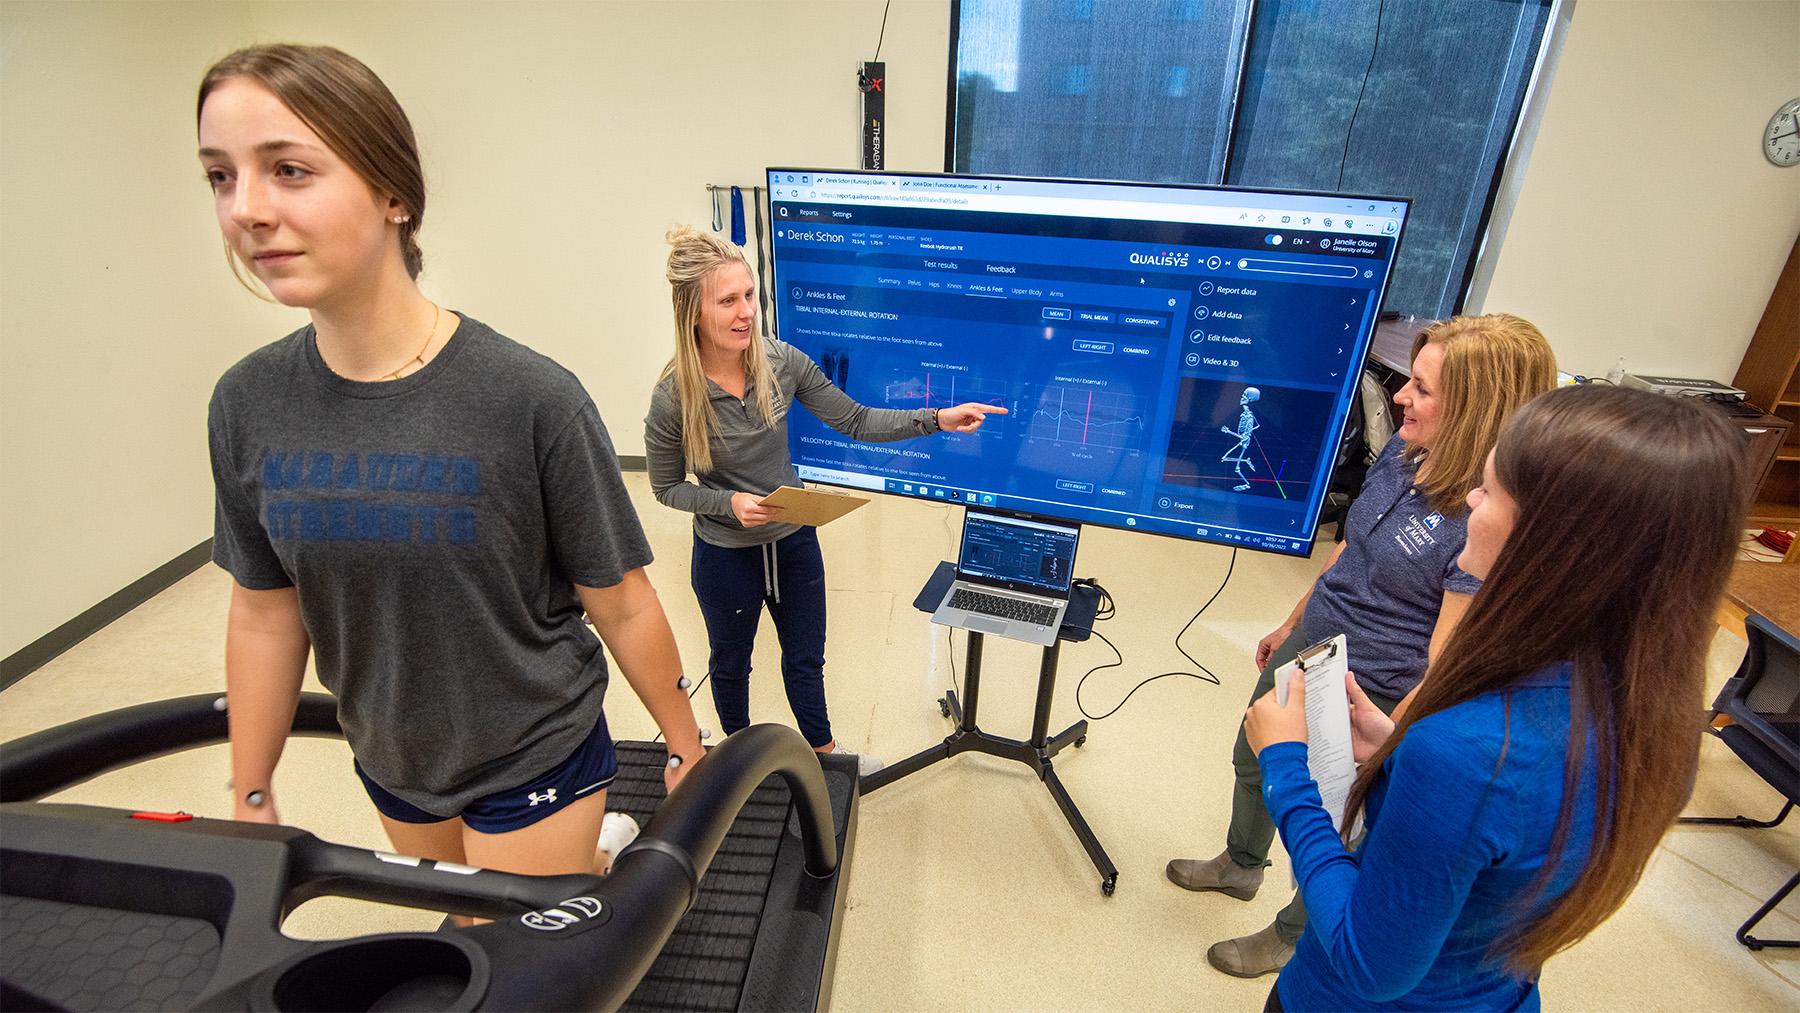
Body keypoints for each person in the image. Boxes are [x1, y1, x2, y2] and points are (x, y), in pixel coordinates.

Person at [201, 45, 703, 887]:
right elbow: (263, 612)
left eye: (288, 169)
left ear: (394, 192)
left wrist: (686, 743)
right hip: (393, 753)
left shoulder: (529, 396)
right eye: (220, 176)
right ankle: (596, 847)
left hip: (531, 746)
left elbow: (618, 599)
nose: (246, 210)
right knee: (461, 913)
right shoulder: (247, 403)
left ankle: (590, 841)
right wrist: (251, 791)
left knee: (514, 958)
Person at [1244, 385, 1745, 1010]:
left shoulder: (1467, 750)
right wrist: (1392, 757)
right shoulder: (1650, 713)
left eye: (1489, 490)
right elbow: (1501, 856)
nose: (1471, 503)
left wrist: (1287, 770)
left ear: (1550, 540)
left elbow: (1367, 965)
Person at [1166, 314, 1557, 977]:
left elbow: (1448, 655)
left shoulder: (1483, 521)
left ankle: (1294, 931)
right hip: (1314, 643)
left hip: (1369, 685)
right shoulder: (1405, 450)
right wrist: (1294, 620)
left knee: (1331, 826)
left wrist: (1403, 739)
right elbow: (1351, 548)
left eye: (1423, 389)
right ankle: (1240, 863)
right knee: (1253, 759)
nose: (1401, 396)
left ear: (1475, 406)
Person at [644, 226, 1004, 774]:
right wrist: (727, 504)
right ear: (693, 311)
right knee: (731, 663)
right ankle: (739, 761)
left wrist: (938, 419)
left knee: (806, 658)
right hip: (724, 555)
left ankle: (824, 755)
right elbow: (666, 488)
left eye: (749, 296)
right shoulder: (673, 397)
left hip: (792, 542)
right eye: (728, 301)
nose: (746, 312)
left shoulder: (781, 362)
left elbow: (856, 420)